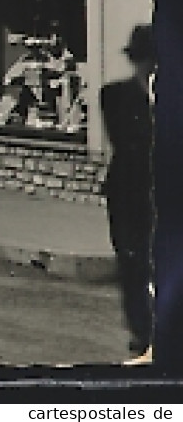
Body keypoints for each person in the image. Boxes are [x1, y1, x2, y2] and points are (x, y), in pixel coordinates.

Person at [101, 24, 155, 362]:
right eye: (148, 61)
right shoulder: (115, 95)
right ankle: (141, 334)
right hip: (128, 192)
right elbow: (127, 141)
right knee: (133, 263)